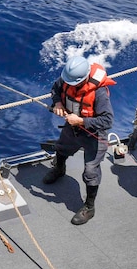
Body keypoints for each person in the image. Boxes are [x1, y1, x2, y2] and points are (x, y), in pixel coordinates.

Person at [42, 54, 115, 225]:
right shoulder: (66, 80)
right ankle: (59, 170)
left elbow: (108, 120)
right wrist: (58, 103)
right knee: (61, 149)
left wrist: (82, 121)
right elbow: (55, 89)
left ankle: (89, 207)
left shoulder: (99, 93)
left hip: (94, 135)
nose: (70, 85)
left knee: (90, 171)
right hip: (72, 129)